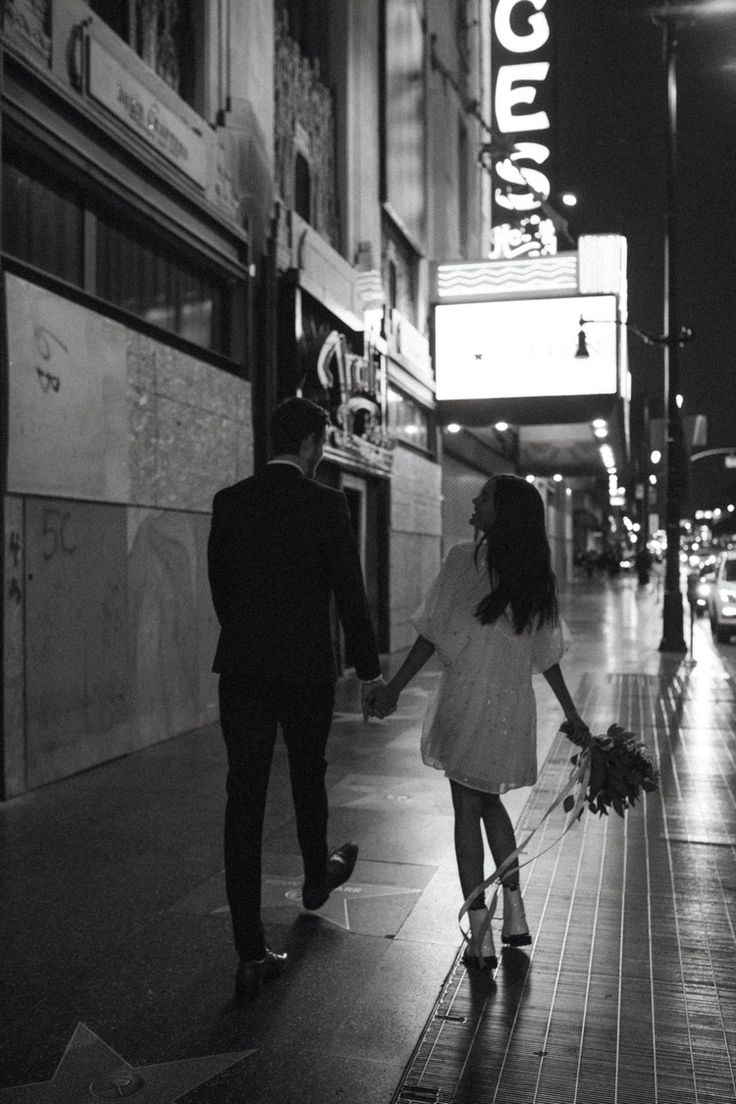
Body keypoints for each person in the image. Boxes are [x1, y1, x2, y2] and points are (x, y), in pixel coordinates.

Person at [366, 475, 590, 969]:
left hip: (465, 700)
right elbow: (546, 655)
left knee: (467, 809)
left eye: (484, 496)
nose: (474, 499)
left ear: (503, 512)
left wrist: (394, 688)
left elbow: (430, 634)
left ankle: (480, 934)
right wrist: (571, 714)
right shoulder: (536, 576)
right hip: (511, 708)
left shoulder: (461, 560)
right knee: (489, 802)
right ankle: (514, 911)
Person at [207, 397, 385, 1001]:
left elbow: (221, 593)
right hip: (307, 669)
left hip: (244, 669)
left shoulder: (230, 502)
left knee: (244, 799)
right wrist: (369, 672)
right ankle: (314, 876)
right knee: (309, 772)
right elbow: (349, 593)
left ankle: (250, 952)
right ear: (311, 444)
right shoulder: (327, 505)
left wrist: (251, 637)